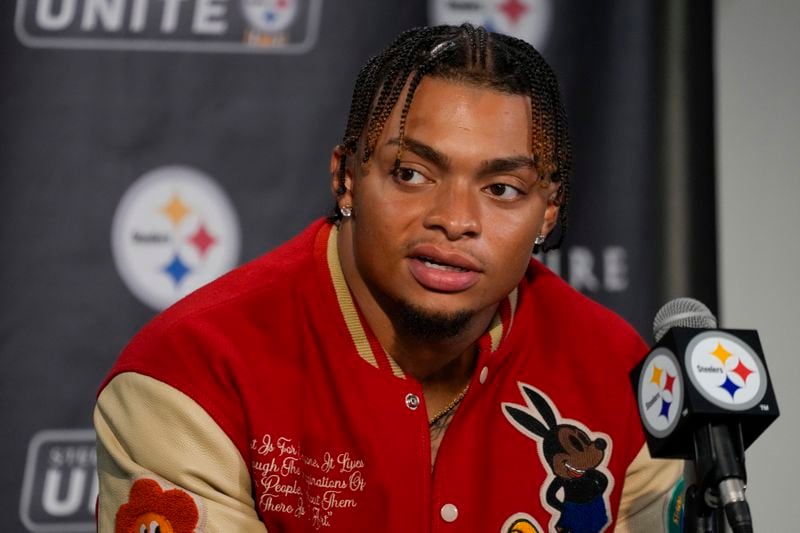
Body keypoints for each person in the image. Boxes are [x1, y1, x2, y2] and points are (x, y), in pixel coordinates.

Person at [95, 24, 684, 532]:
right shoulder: (192, 373)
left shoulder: (619, 379)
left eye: (502, 189)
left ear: (547, 213)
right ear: (346, 178)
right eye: (411, 173)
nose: (455, 220)